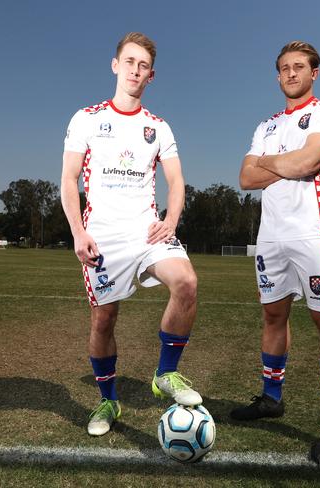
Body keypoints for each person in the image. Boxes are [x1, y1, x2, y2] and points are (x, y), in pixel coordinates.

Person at [61, 32, 202, 437]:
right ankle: (108, 401)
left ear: (151, 76)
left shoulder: (158, 127)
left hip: (147, 231)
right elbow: (69, 179)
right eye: (129, 62)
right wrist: (78, 232)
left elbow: (176, 182)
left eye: (143, 66)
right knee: (103, 320)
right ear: (115, 65)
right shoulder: (85, 119)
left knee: (187, 282)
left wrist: (171, 219)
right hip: (102, 237)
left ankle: (165, 375)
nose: (135, 71)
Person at [232, 41, 320, 465]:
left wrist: (271, 163)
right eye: (284, 68)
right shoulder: (264, 125)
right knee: (272, 315)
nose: (291, 73)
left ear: (314, 73)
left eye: (299, 67)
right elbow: (246, 177)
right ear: (278, 75)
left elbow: (307, 164)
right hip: (271, 237)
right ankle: (271, 397)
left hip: (311, 234)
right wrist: (287, 160)